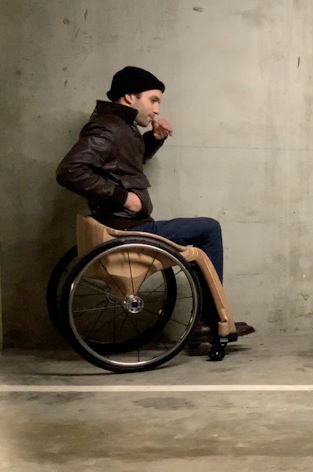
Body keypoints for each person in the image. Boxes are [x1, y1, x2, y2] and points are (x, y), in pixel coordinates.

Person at [56, 66, 254, 338]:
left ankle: (206, 319)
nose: (157, 109)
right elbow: (70, 171)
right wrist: (123, 198)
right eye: (153, 100)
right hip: (129, 230)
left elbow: (124, 163)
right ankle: (208, 320)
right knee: (209, 229)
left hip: (129, 226)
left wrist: (154, 138)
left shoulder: (119, 126)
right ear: (129, 97)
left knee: (201, 232)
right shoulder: (108, 129)